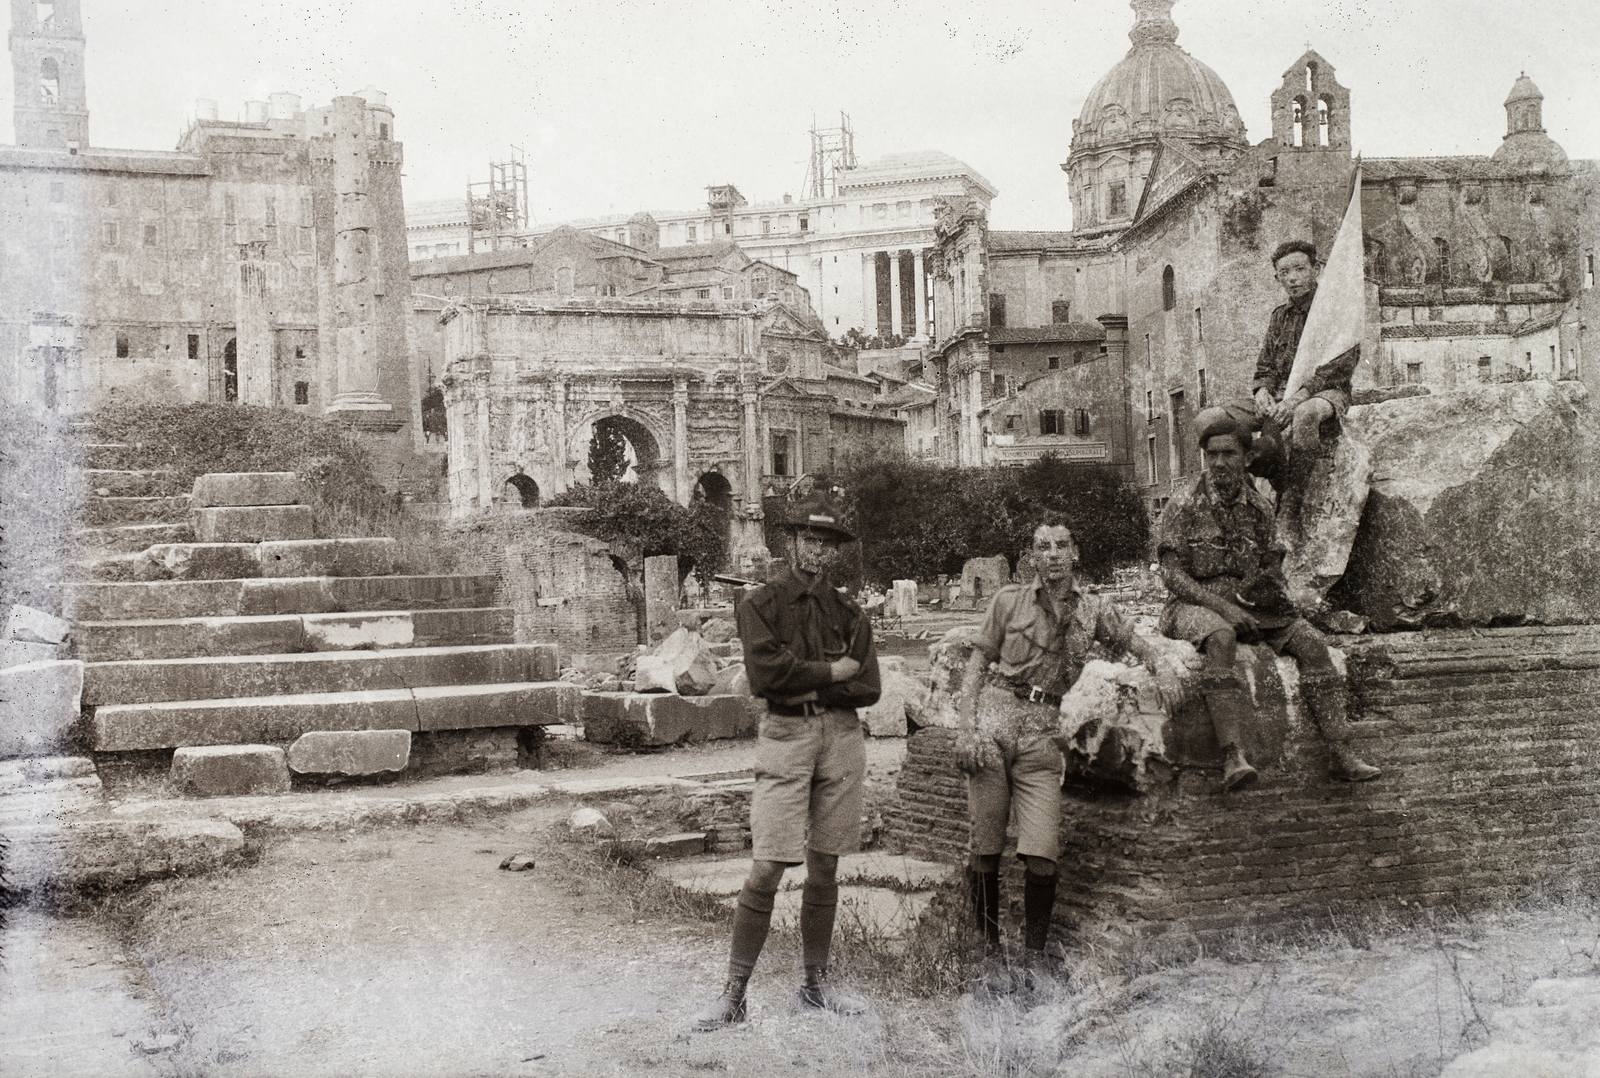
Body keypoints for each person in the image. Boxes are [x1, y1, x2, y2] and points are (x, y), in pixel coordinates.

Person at [951, 513, 1192, 973]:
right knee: (985, 846)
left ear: (1075, 552)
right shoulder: (1007, 601)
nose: (1054, 556)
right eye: (1044, 547)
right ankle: (986, 955)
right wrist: (968, 728)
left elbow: (1133, 643)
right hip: (997, 716)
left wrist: (1161, 665)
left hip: (1044, 729)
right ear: (1032, 556)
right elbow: (975, 667)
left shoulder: (1094, 610)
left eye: (1062, 546)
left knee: (1042, 854)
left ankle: (1034, 959)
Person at [692, 492, 881, 1030]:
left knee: (826, 863)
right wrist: (830, 673)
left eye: (828, 543)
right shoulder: (759, 605)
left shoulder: (849, 613)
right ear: (791, 541)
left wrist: (819, 675)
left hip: (842, 737)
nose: (818, 551)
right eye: (809, 540)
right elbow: (766, 676)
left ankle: (815, 985)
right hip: (785, 733)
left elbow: (868, 684)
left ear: (836, 552)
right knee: (768, 862)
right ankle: (733, 995)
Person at [1156, 412, 1381, 790]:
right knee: (1221, 638)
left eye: (1228, 454)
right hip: (1192, 605)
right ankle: (1232, 755)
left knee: (1311, 642)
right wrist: (1225, 608)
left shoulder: (1260, 508)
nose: (1219, 463)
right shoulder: (1184, 504)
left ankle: (1340, 751)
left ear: (1246, 458)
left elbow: (1272, 565)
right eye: (1211, 455)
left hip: (1248, 604)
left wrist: (1264, 597)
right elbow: (1172, 575)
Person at [1253, 238, 1362, 530]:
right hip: (1281, 395)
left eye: (1300, 269)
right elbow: (1265, 366)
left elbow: (1339, 367)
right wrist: (1262, 391)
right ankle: (1256, 498)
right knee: (1223, 421)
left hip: (1326, 392)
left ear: (1315, 269)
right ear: (1277, 277)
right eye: (1285, 273)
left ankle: (1291, 504)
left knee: (1306, 416)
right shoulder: (1279, 317)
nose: (1293, 278)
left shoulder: (1334, 310)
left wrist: (1295, 400)